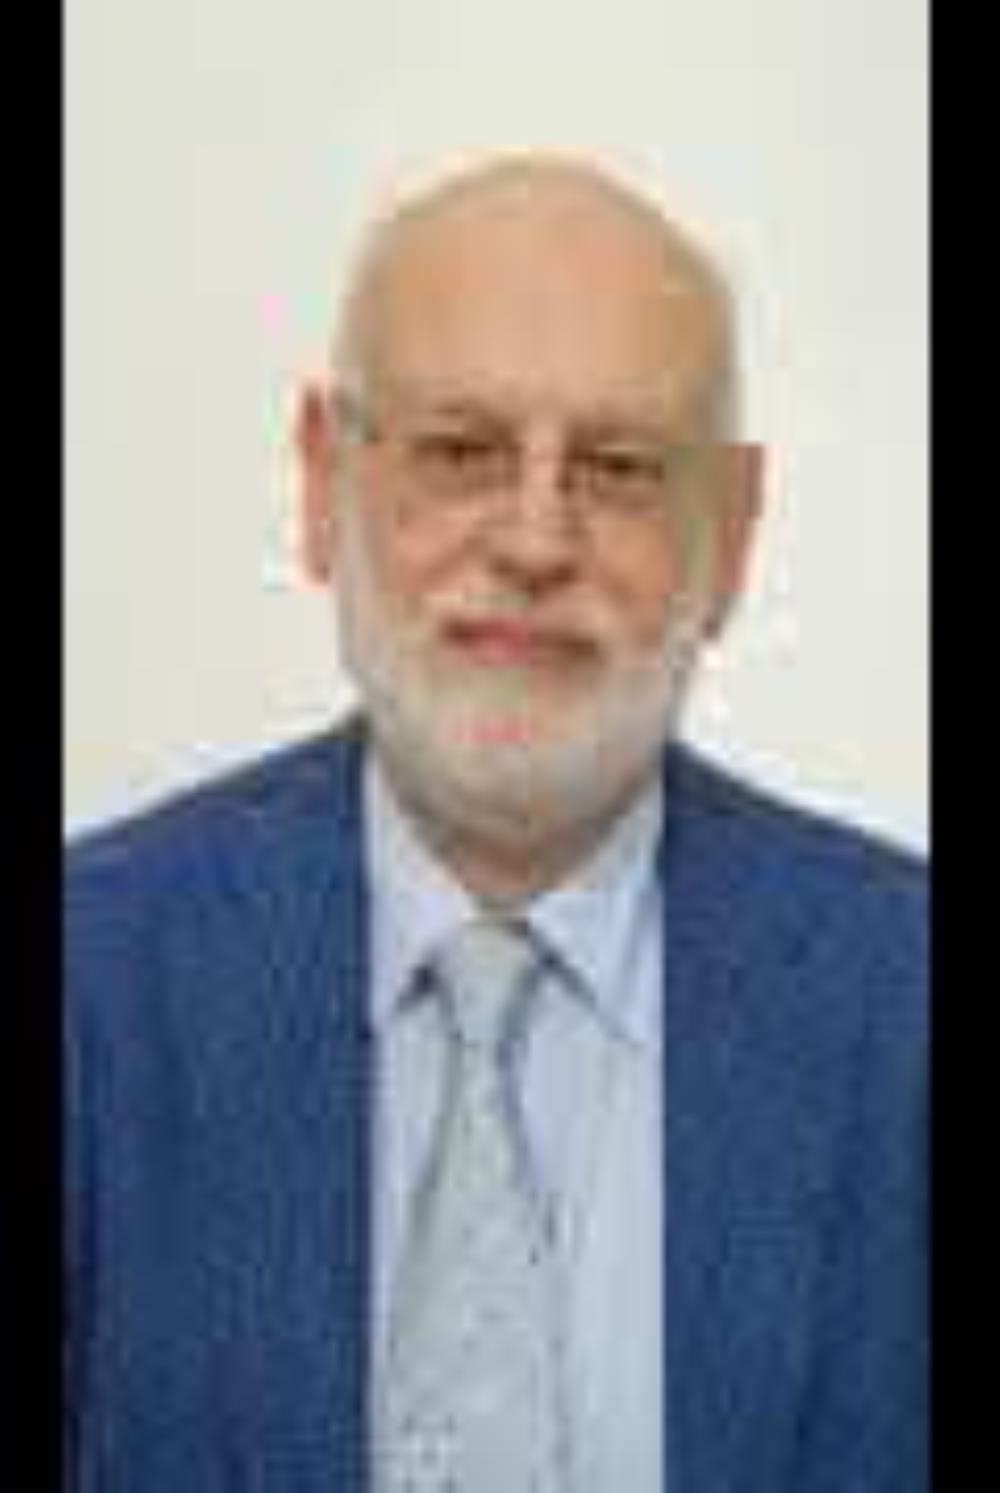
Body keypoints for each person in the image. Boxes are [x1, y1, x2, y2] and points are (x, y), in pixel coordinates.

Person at [64, 154, 927, 1492]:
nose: (534, 542)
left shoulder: (904, 999)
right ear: (322, 483)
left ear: (735, 529)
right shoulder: (92, 979)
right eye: (461, 451)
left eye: (619, 467)